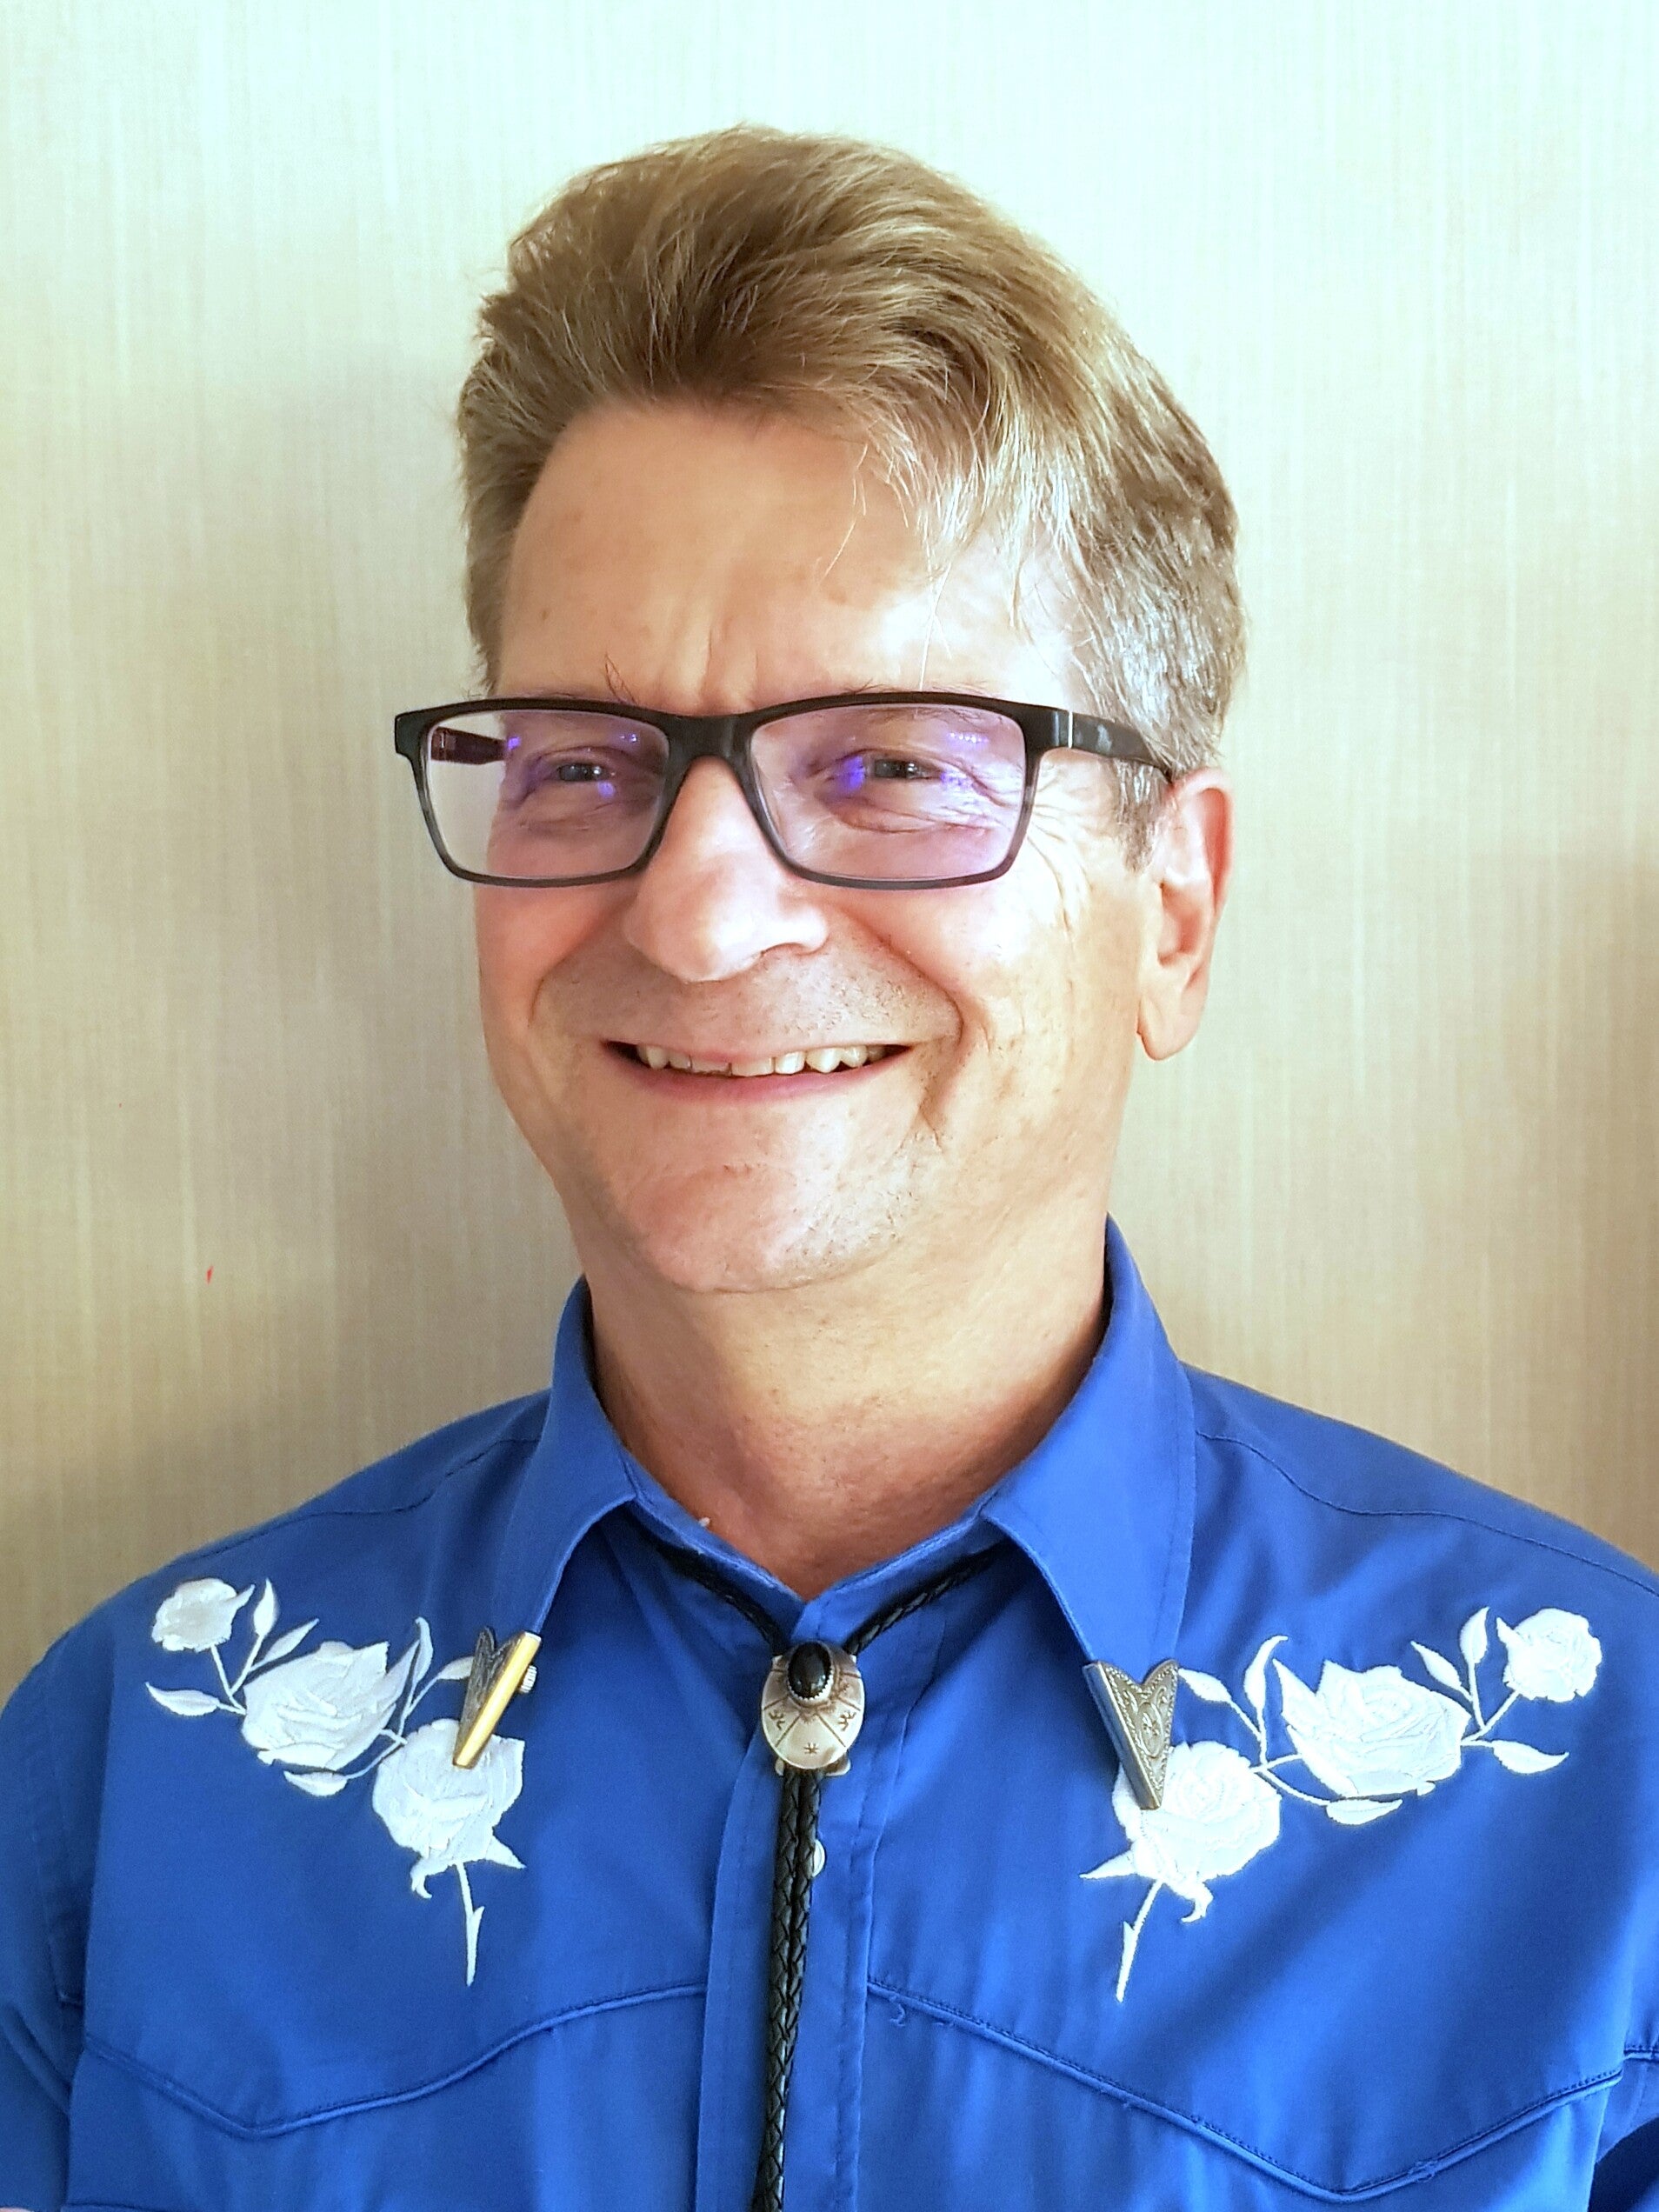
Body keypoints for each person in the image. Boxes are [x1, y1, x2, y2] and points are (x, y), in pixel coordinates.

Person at [2, 125, 1656, 2212]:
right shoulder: (138, 1768)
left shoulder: (1604, 1799)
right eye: (582, 760)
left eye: (890, 762)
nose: (698, 916)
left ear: (1172, 910)